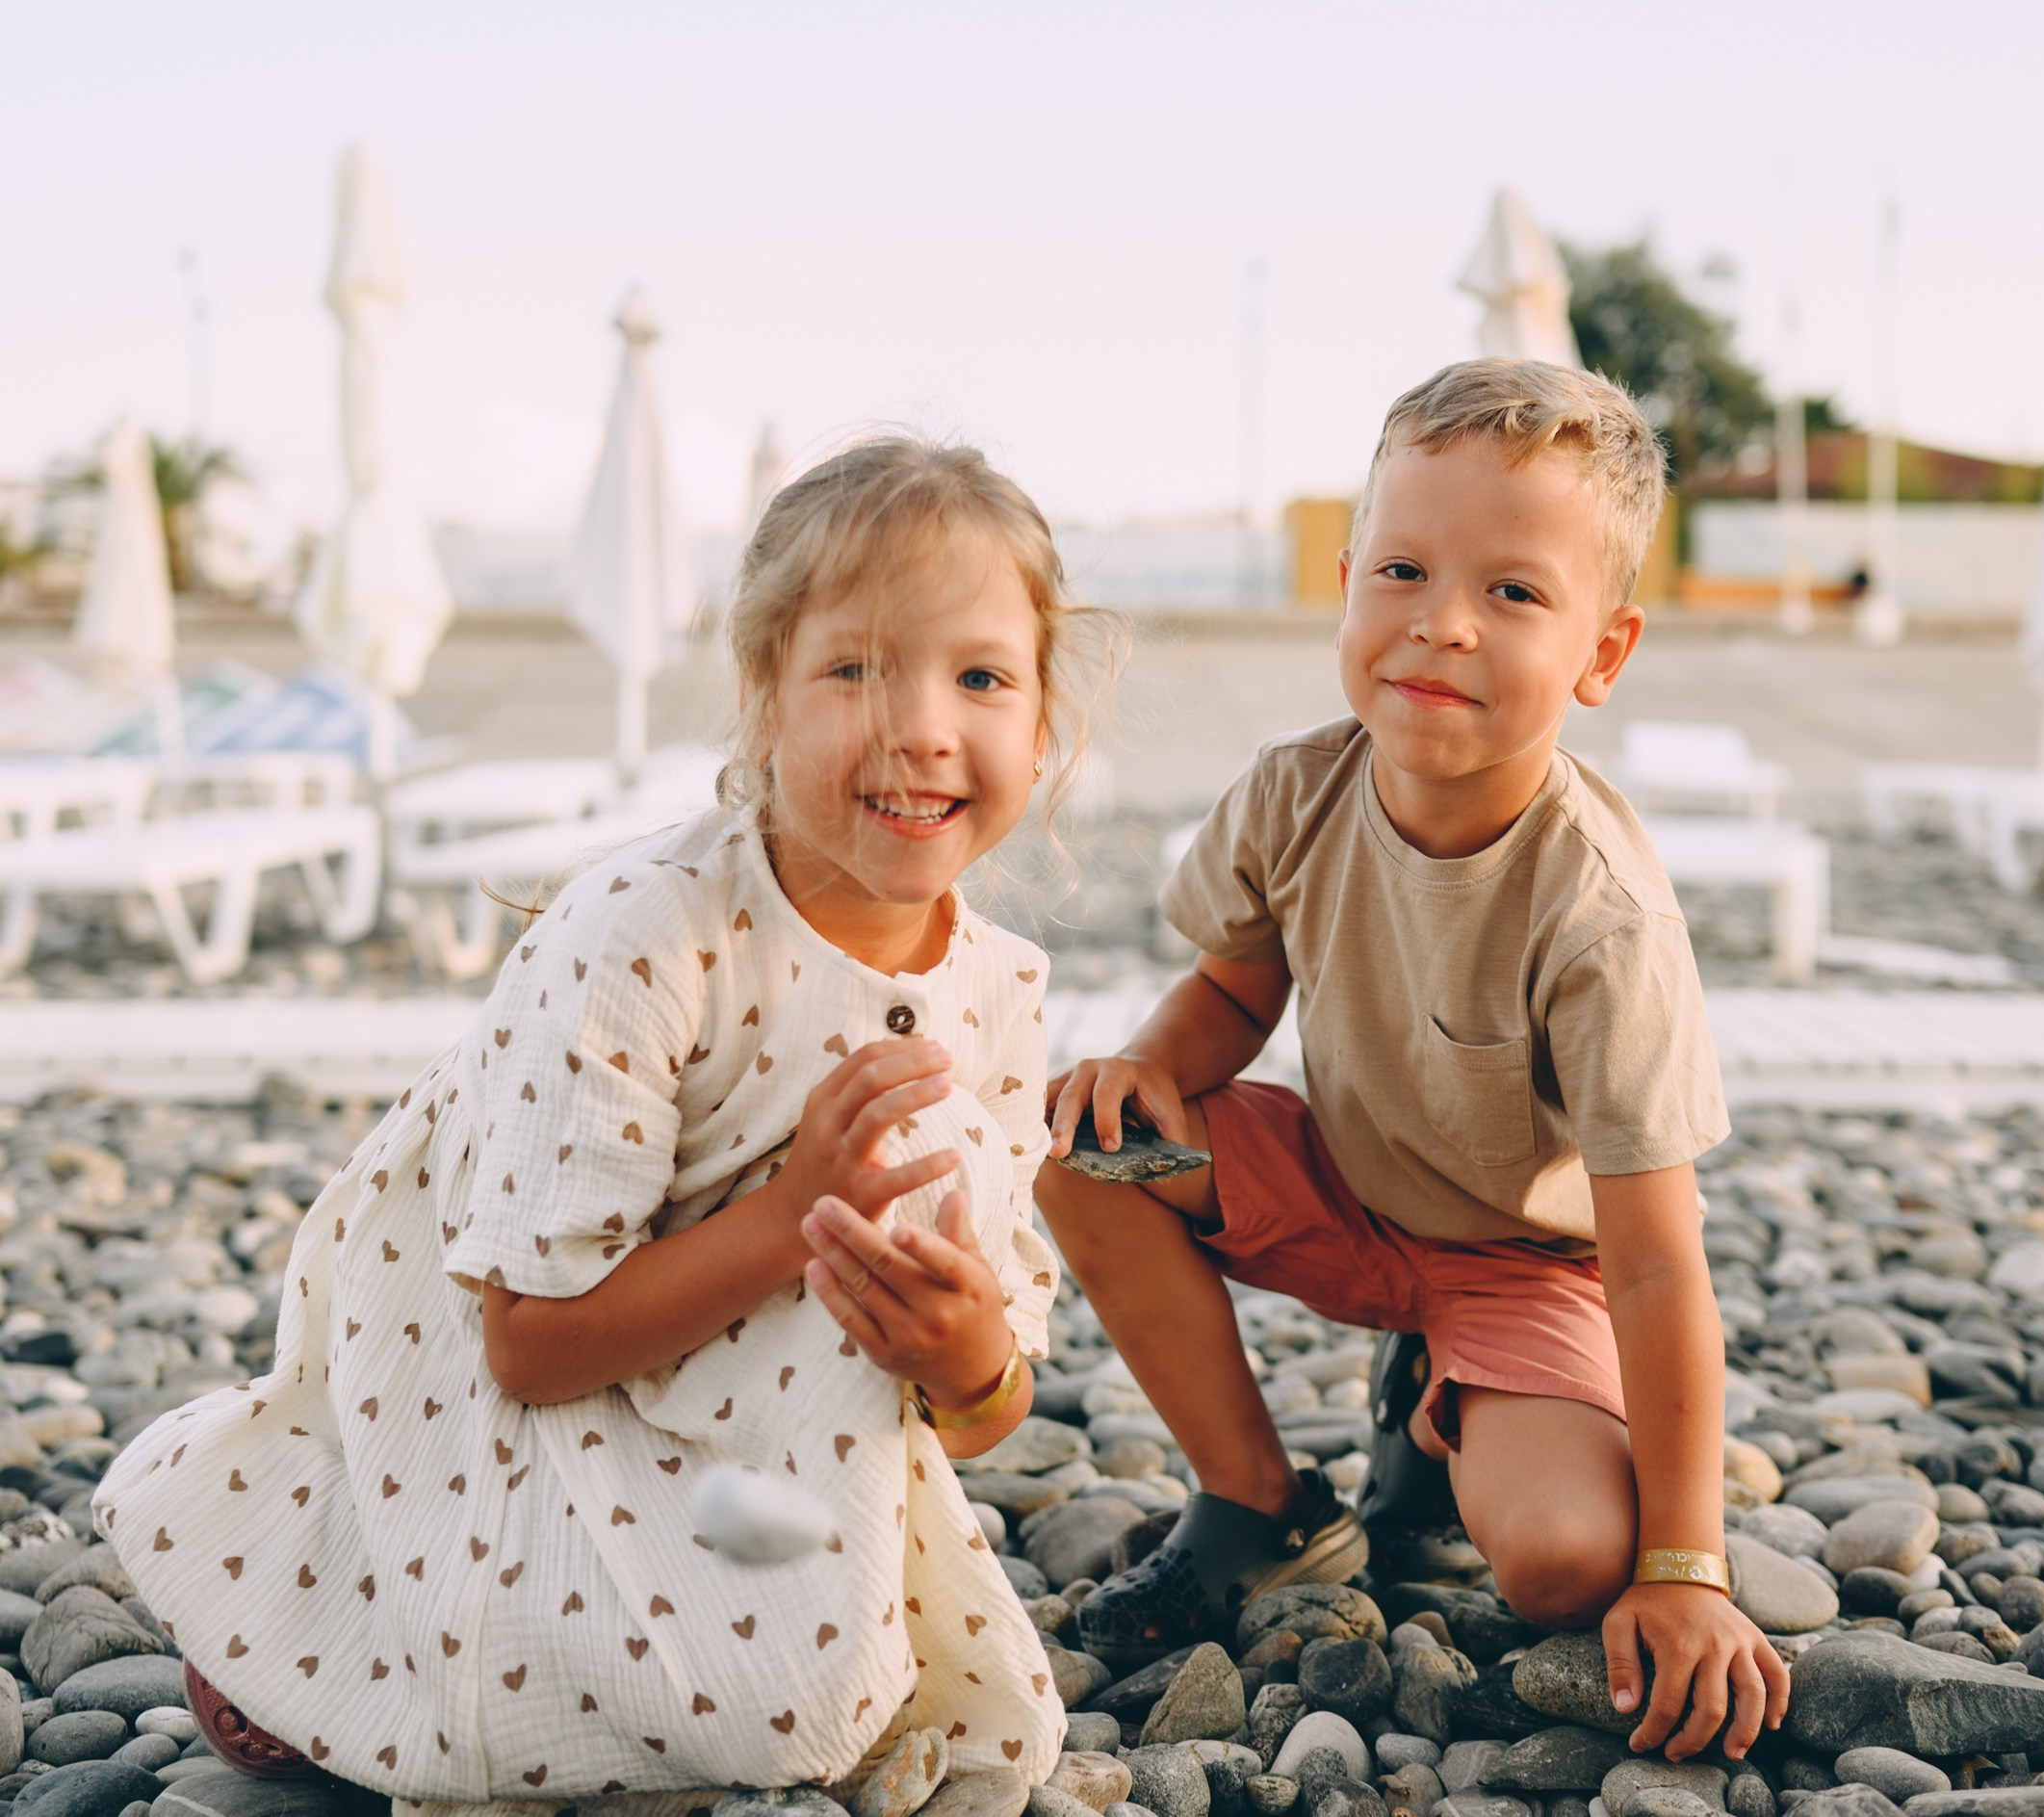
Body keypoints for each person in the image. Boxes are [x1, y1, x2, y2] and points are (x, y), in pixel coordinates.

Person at [95, 438, 1110, 1813]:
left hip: (764, 1438)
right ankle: (318, 1599)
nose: (924, 727)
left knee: (856, 1720)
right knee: (594, 1697)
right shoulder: (646, 940)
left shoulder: (996, 992)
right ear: (761, 700)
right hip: (518, 1394)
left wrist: (970, 1349)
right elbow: (524, 1346)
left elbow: (984, 1413)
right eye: (855, 669)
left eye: (981, 677)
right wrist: (792, 1207)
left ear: (1044, 724)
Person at [1039, 360, 1791, 1764]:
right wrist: (1148, 1061)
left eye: (1513, 594)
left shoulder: (1600, 920)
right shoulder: (1295, 790)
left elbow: (1653, 1265)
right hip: (1342, 1184)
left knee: (1565, 1563)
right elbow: (1231, 986)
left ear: (1603, 653)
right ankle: (1258, 1507)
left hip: (1523, 1257)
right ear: (1345, 583)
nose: (1439, 625)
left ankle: (1442, 1410)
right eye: (1402, 570)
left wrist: (1686, 1569)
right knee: (1083, 1152)